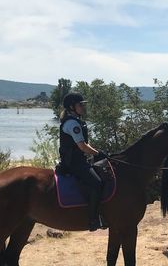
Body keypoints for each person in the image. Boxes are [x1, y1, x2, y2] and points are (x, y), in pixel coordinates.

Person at [59, 92, 108, 231]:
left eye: (82, 104)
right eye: (80, 104)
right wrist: (98, 153)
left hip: (79, 160)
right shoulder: (72, 123)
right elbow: (82, 146)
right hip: (74, 164)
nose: (83, 107)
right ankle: (93, 219)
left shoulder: (76, 121)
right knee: (97, 183)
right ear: (71, 107)